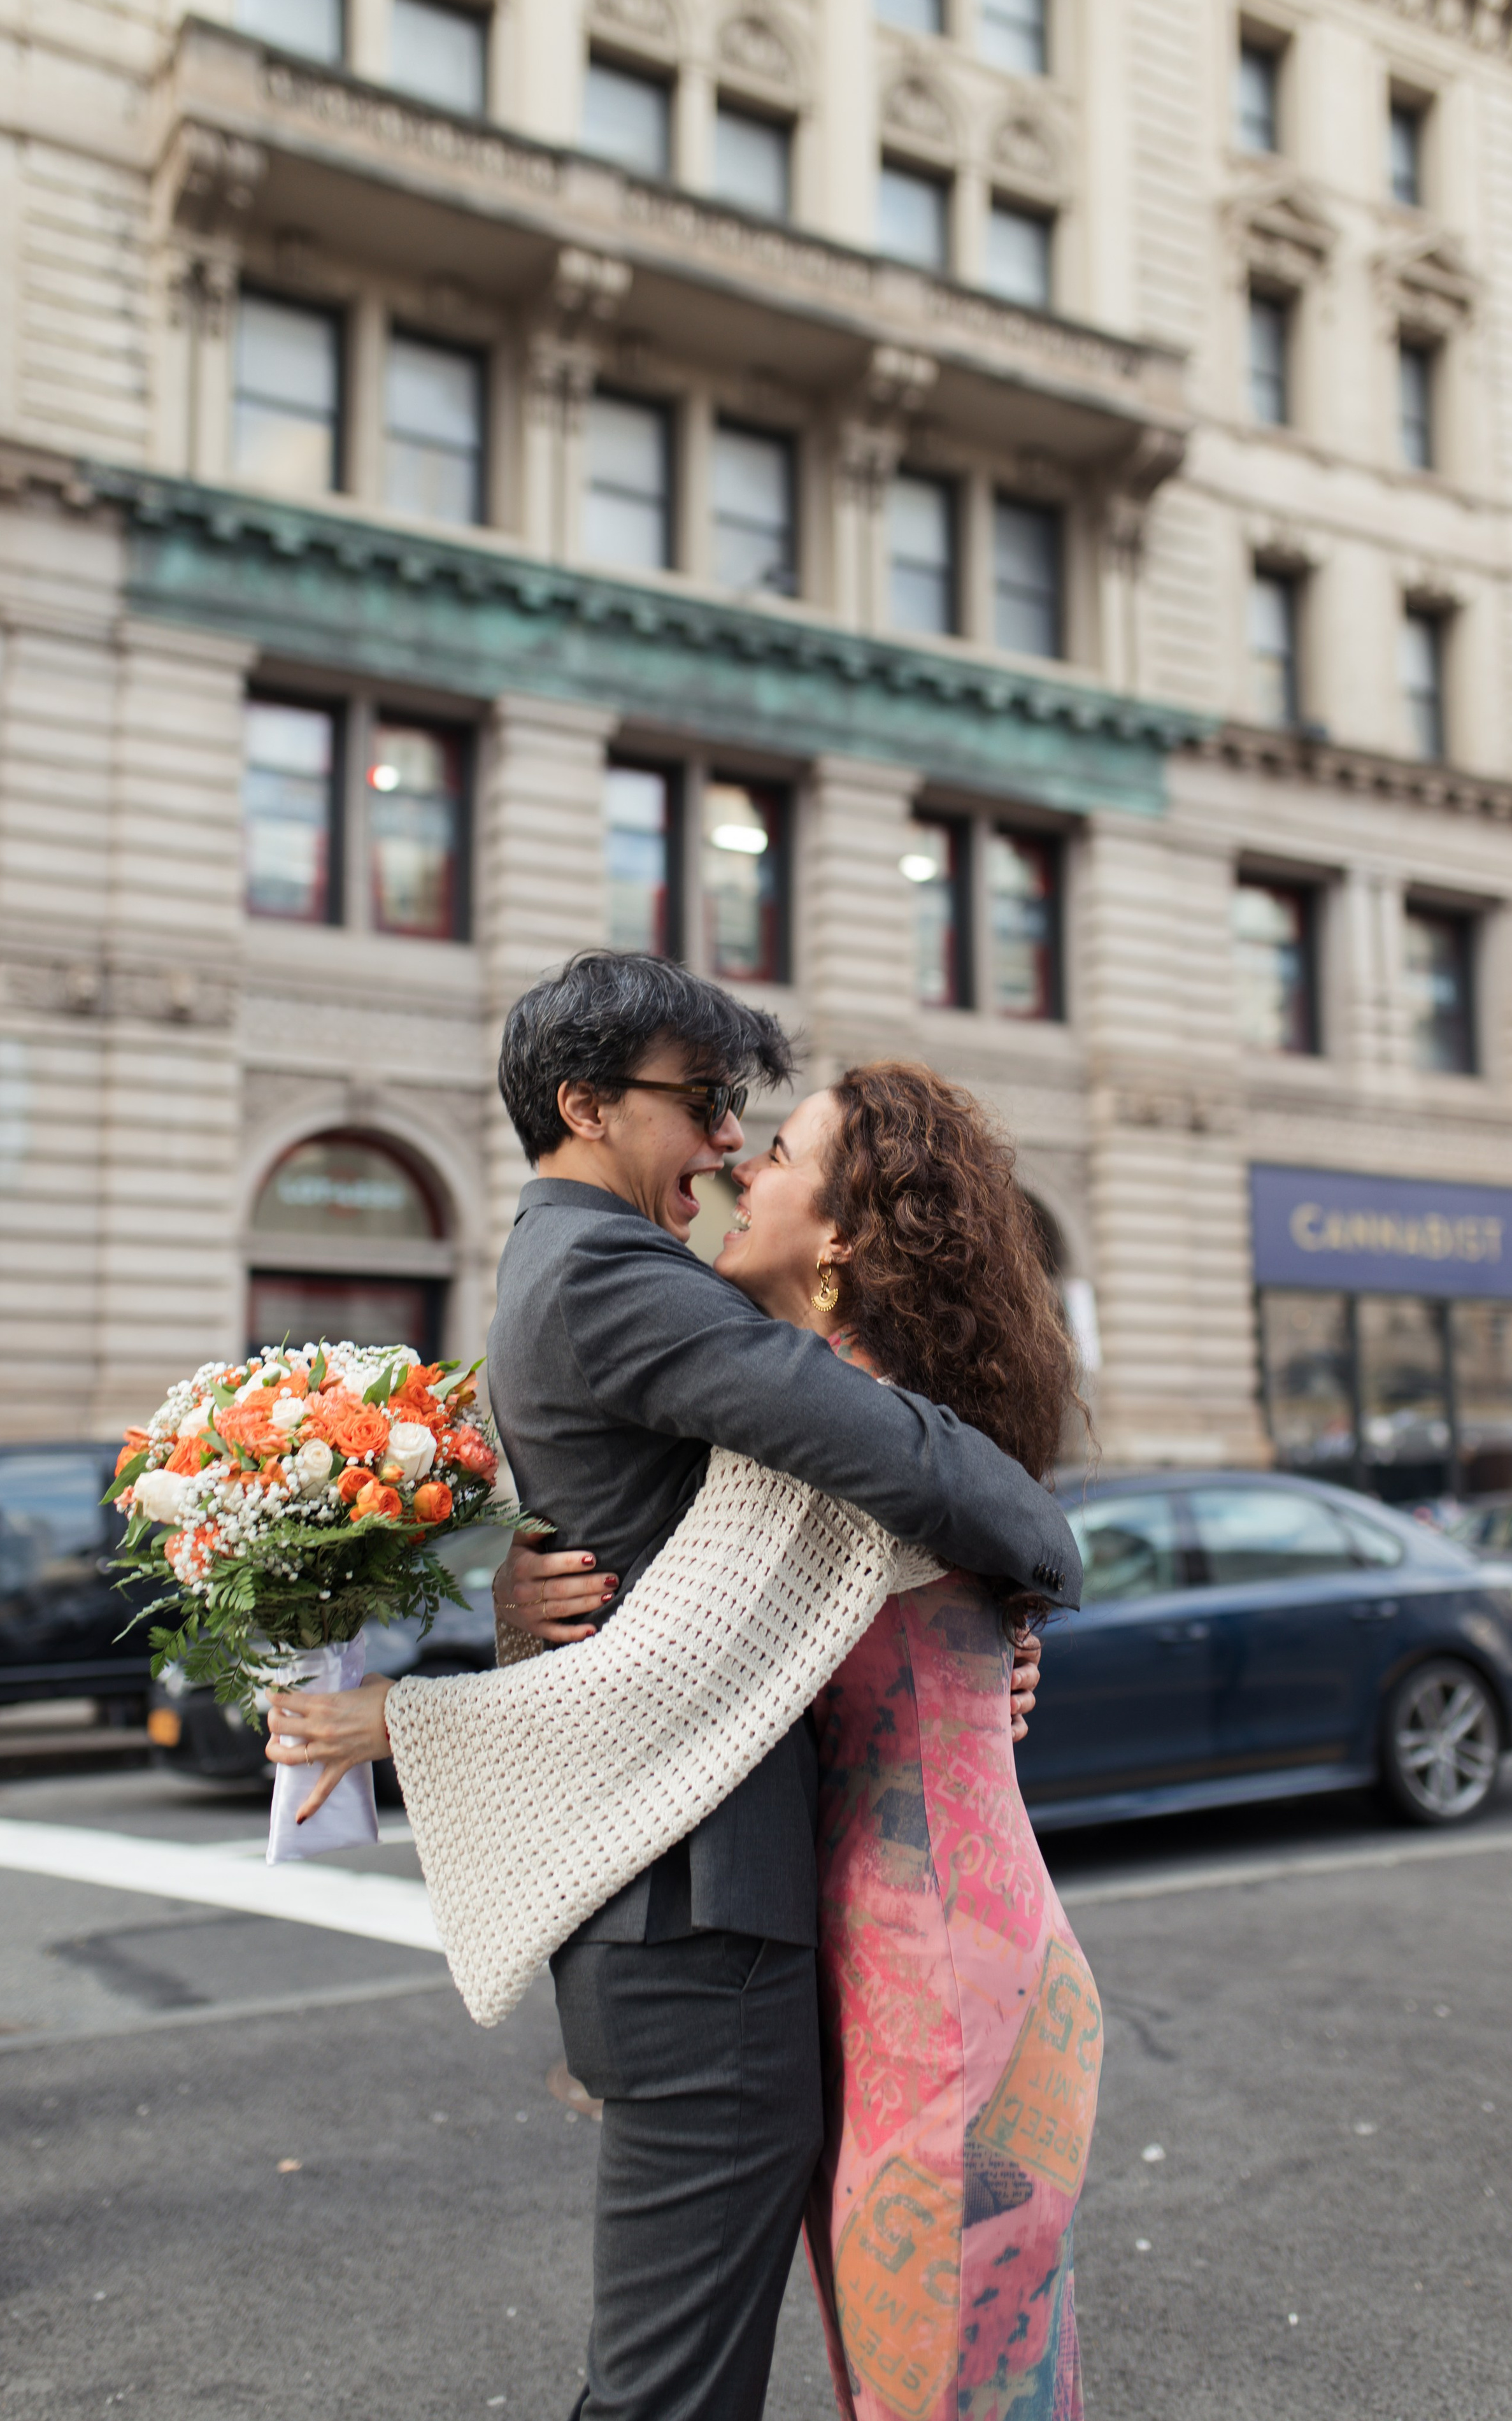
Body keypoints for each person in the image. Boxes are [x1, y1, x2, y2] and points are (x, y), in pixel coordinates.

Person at [265, 952, 1082, 2421]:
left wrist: (985, 1635)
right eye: (706, 1105)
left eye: (752, 1125)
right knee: (681, 2388)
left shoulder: (569, 1267)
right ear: (585, 1104)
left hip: (795, 1926)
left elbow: (724, 1600)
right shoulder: (611, 1274)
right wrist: (1042, 1539)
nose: (722, 1141)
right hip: (701, 1928)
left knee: (832, 2362)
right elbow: (854, 1491)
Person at [506, 1061, 1101, 2421]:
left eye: (774, 1152)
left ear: (839, 1235)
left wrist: (367, 1719)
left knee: (942, 2396)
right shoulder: (818, 1420)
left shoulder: (850, 1439)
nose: (734, 1169)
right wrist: (509, 1586)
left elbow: (656, 1670)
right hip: (891, 1971)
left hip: (941, 1982)